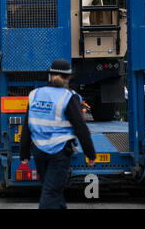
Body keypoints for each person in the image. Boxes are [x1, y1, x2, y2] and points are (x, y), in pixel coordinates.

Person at [20, 58, 96, 209]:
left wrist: (24, 155)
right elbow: (80, 128)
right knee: (51, 192)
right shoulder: (68, 97)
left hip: (39, 151)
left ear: (50, 75)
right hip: (59, 152)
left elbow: (27, 126)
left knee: (53, 190)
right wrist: (90, 154)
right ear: (68, 77)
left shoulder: (35, 94)